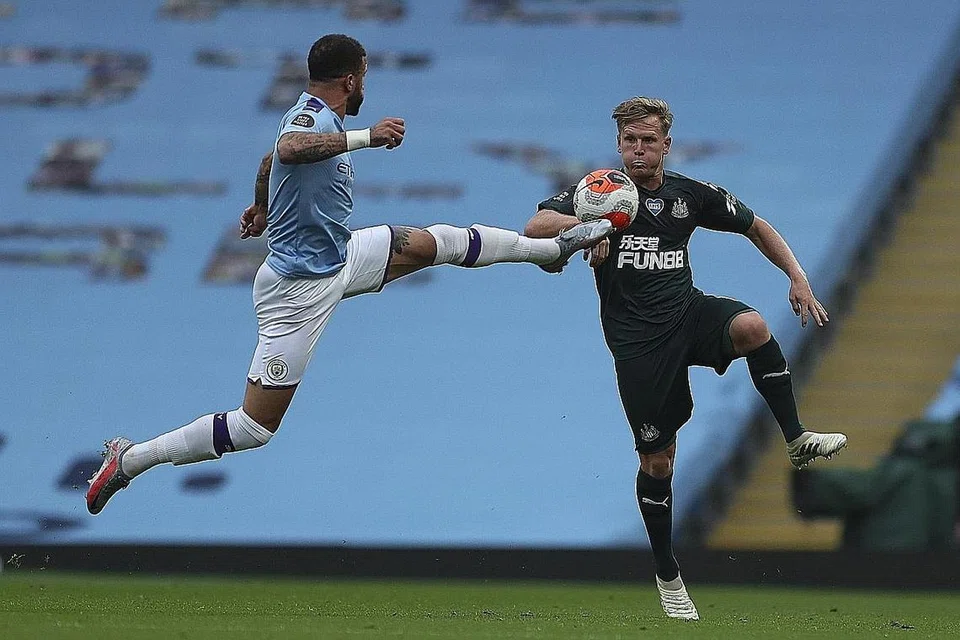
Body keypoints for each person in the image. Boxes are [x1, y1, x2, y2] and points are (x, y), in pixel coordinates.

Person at [86, 34, 613, 515]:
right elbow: (290, 149)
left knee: (435, 242)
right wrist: (368, 137)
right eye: (366, 76)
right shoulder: (314, 120)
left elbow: (272, 158)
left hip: (341, 255)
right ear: (352, 79)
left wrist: (261, 206)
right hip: (297, 291)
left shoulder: (313, 117)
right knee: (254, 428)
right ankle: (130, 459)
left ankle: (546, 249)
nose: (367, 87)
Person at [524, 97, 847, 621]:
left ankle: (796, 438)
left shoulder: (688, 195)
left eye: (648, 140)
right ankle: (668, 573)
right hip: (638, 345)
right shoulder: (597, 191)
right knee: (658, 461)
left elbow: (756, 225)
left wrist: (797, 276)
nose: (638, 150)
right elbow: (534, 224)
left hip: (687, 314)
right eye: (630, 140)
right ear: (618, 144)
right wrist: (587, 228)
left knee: (752, 325)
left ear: (666, 145)